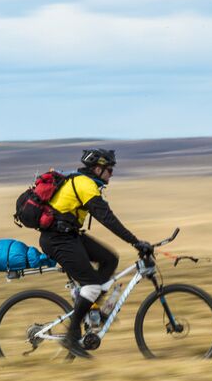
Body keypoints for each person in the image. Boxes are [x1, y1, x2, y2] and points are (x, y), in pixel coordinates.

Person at [40, 148, 152, 358]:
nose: (111, 173)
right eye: (109, 169)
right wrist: (136, 242)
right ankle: (71, 337)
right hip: (57, 239)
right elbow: (107, 218)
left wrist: (134, 242)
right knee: (91, 285)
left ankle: (92, 310)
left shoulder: (87, 183)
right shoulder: (85, 185)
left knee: (110, 259)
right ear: (98, 168)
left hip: (68, 235)